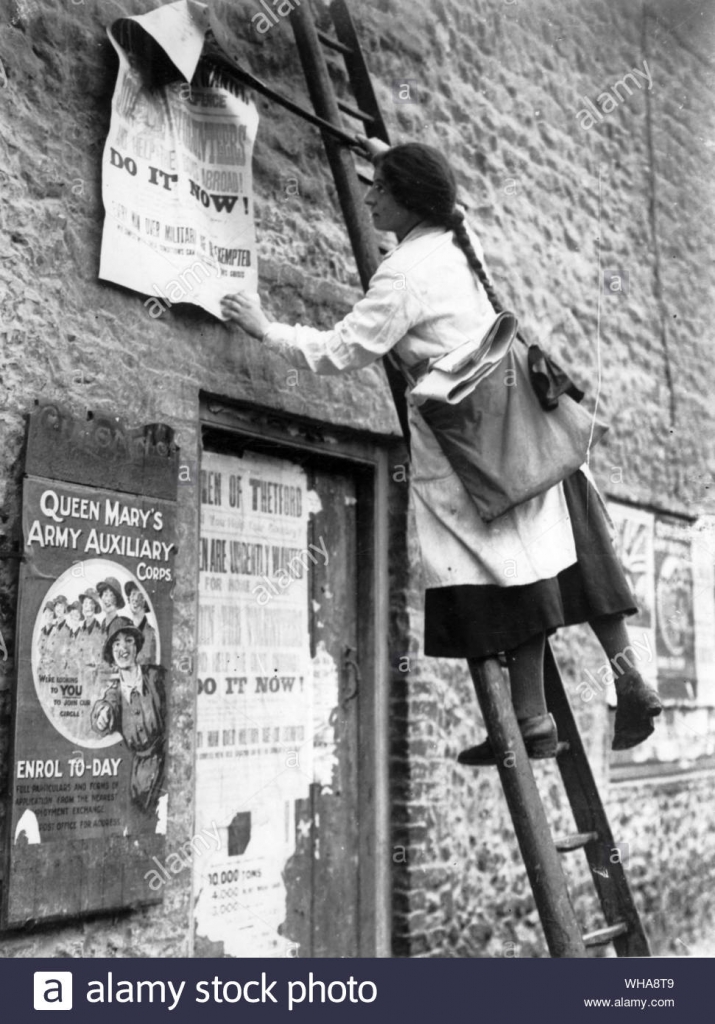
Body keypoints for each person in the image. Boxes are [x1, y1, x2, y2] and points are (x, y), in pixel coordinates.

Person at [221, 140, 662, 762]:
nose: (368, 197)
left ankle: (534, 717)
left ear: (410, 199)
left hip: (473, 437)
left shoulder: (402, 274)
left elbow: (341, 351)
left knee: (504, 568)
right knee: (565, 553)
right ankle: (618, 679)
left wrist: (265, 327)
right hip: (530, 418)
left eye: (380, 187)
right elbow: (445, 208)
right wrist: (388, 155)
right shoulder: (460, 238)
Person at [90, 622, 166, 814]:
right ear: (111, 652)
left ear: (136, 646)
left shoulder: (156, 676)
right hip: (140, 780)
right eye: (116, 643)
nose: (122, 648)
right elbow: (105, 706)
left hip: (167, 768)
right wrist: (102, 714)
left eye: (128, 641)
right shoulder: (114, 693)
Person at [124, 581, 157, 664]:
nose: (135, 599)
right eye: (133, 594)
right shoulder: (123, 632)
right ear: (129, 599)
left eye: (140, 595)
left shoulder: (152, 635)